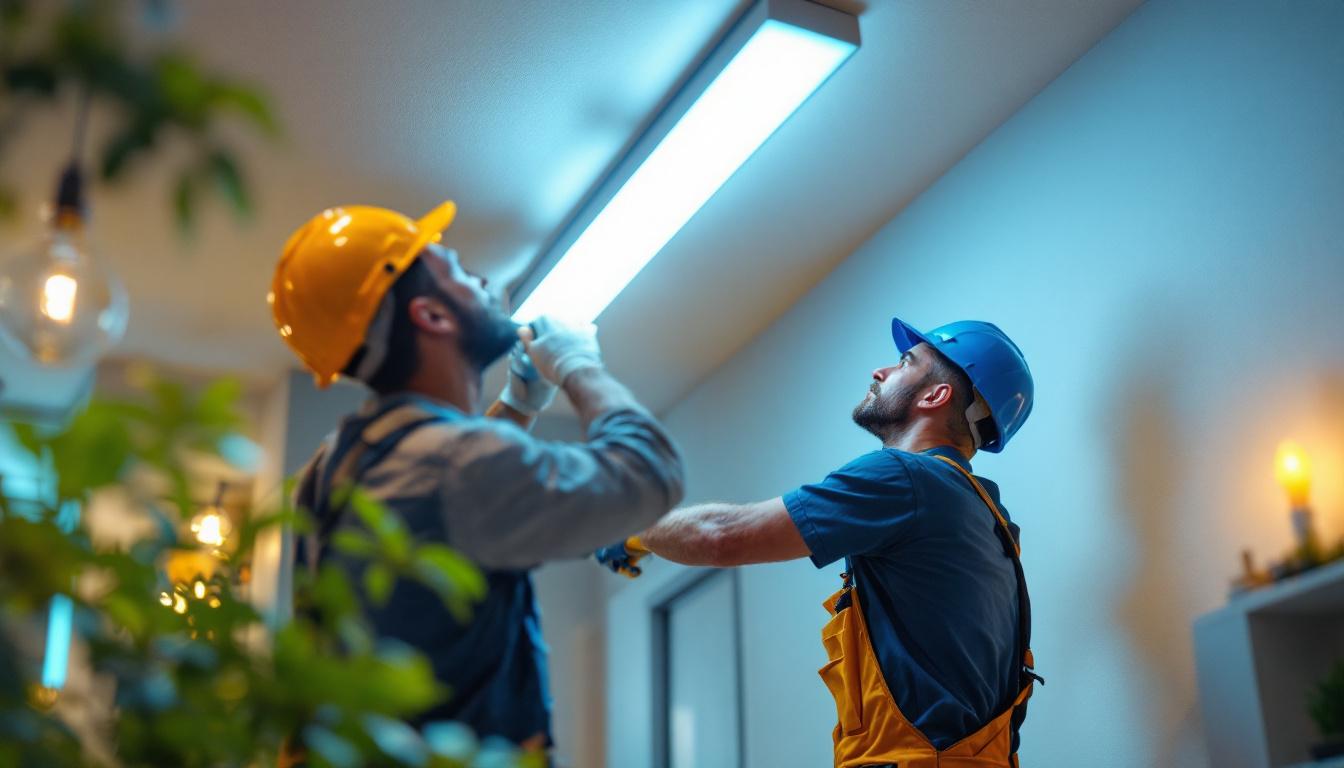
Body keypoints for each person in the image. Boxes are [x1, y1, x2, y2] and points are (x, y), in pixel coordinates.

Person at [269, 201, 685, 753]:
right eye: (458, 271)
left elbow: (459, 486)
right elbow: (650, 473)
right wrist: (579, 366)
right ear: (432, 316)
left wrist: (518, 402)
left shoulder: (330, 469)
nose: (483, 280)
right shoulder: (460, 463)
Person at [596, 318, 1040, 767]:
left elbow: (719, 537)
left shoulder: (906, 479)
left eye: (905, 362)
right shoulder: (989, 517)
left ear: (935, 396)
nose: (880, 371)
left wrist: (632, 526)